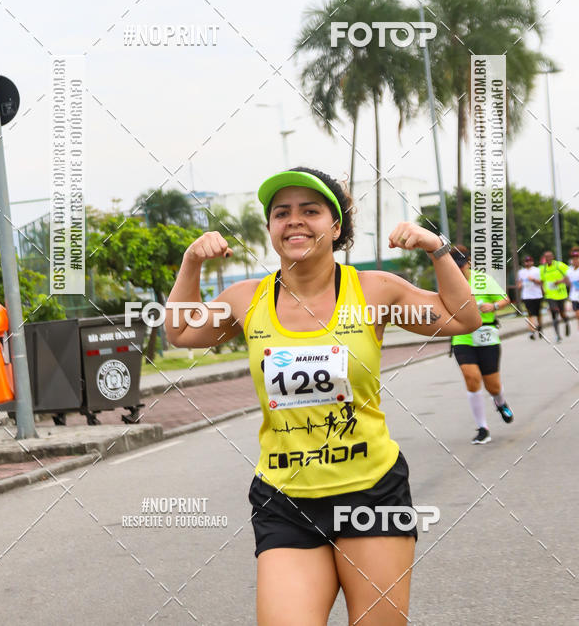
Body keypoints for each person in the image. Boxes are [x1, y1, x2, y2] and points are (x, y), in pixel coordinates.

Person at [165, 167, 481, 625]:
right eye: (281, 213)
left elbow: (463, 319)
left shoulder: (374, 290)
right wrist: (192, 262)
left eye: (310, 211)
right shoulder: (245, 299)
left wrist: (437, 249)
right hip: (286, 499)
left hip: (372, 495)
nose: (294, 220)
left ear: (336, 227)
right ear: (271, 228)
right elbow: (180, 331)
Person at [450, 245, 513, 444]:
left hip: (486, 335)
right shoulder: (449, 283)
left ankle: (500, 402)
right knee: (472, 378)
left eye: (461, 264)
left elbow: (505, 299)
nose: (459, 269)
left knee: (492, 386)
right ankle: (482, 428)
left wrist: (492, 306)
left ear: (469, 262)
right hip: (462, 337)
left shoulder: (483, 279)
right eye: (454, 266)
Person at [539, 250, 570, 342]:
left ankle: (566, 320)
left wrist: (559, 281)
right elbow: (542, 281)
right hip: (550, 296)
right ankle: (558, 335)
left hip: (561, 294)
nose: (548, 259)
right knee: (554, 313)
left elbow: (569, 275)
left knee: (562, 313)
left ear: (553, 257)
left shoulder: (559, 265)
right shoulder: (542, 269)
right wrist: (542, 291)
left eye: (549, 256)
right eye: (546, 257)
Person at [516, 254, 543, 339]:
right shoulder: (521, 272)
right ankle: (531, 331)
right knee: (530, 314)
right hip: (527, 296)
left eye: (529, 261)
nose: (528, 263)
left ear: (532, 262)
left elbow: (541, 282)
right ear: (524, 263)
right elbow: (519, 283)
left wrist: (534, 280)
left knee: (538, 314)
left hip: (537, 295)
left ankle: (540, 327)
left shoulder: (537, 270)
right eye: (526, 261)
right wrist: (519, 285)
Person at [567, 247, 579, 332]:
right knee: (577, 314)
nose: (575, 261)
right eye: (573, 259)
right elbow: (566, 280)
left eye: (577, 259)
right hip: (574, 296)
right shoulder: (569, 270)